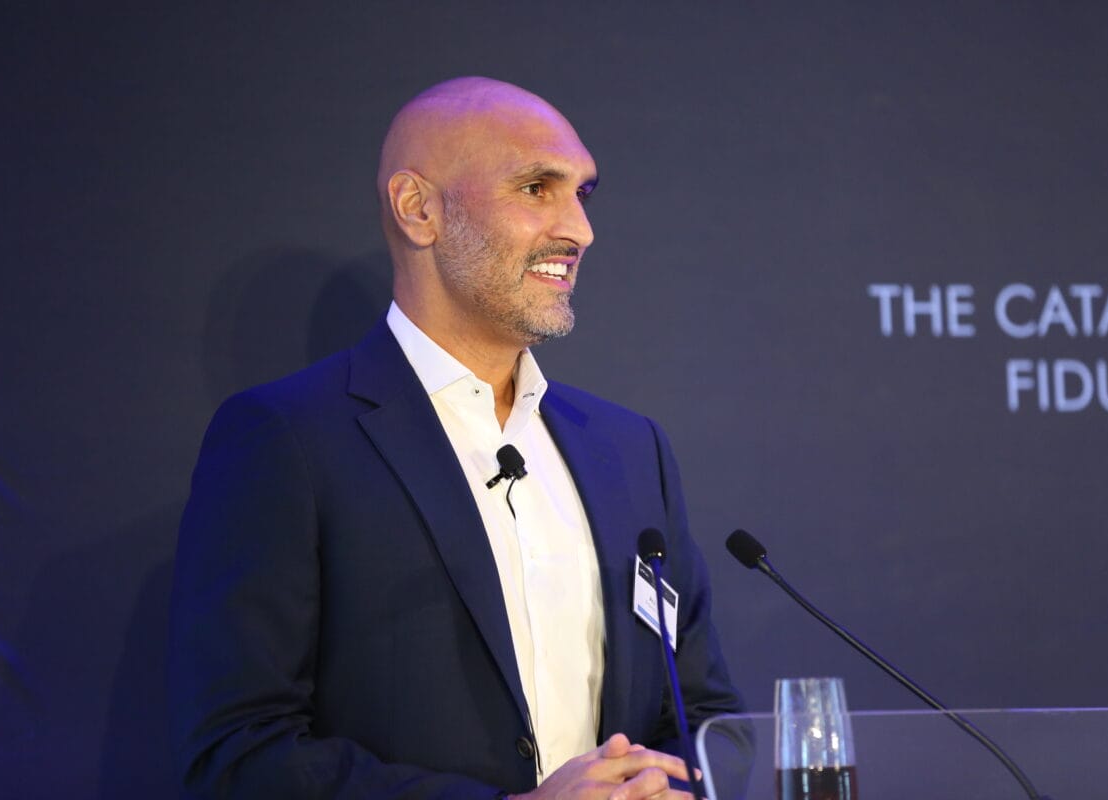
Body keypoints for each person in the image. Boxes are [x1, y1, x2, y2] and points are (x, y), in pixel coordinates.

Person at [168, 76, 743, 800]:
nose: (579, 230)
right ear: (419, 209)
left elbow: (703, 718)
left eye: (583, 194)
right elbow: (238, 752)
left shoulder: (630, 450)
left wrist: (670, 783)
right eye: (536, 189)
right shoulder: (288, 440)